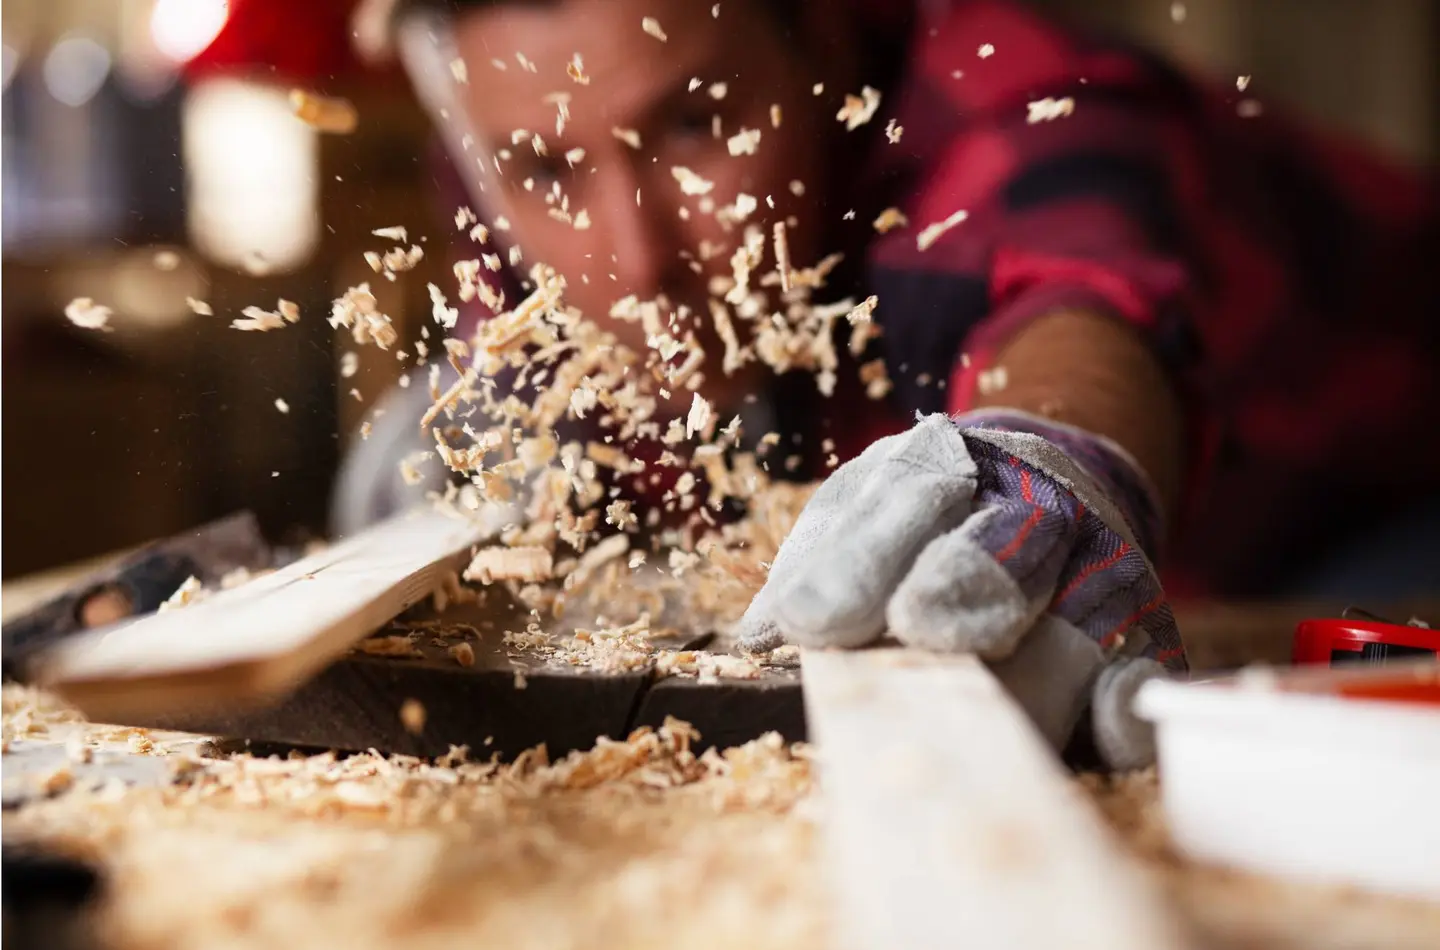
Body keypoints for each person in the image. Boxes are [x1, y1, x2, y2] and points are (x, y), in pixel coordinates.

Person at [333, 0, 1438, 765]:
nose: (635, 256)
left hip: (1371, 499)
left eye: (697, 123)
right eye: (542, 172)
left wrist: (1052, 461)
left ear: (817, 29)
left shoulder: (1020, 95)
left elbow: (1083, 307)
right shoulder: (524, 126)